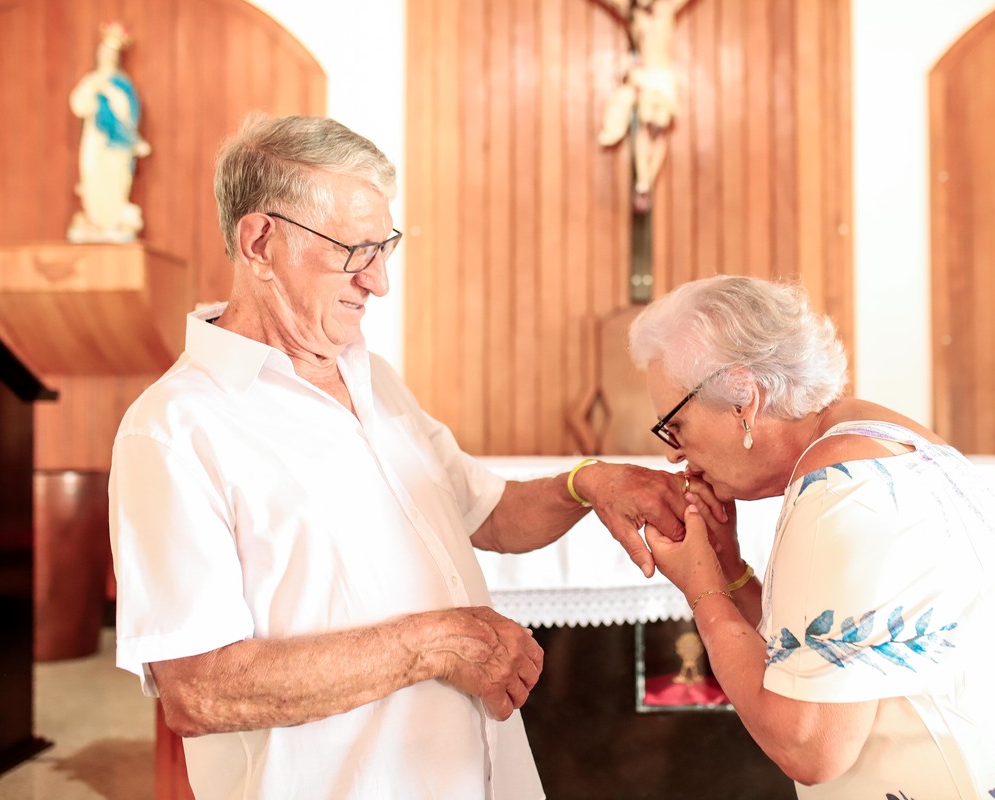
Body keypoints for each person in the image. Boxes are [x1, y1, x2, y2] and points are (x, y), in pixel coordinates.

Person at [107, 113, 703, 799]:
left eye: (384, 247)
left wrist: (586, 484)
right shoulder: (174, 429)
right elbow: (199, 690)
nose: (380, 282)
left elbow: (491, 514)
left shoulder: (373, 378)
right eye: (355, 250)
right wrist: (433, 644)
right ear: (260, 241)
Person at [628, 275, 995, 798]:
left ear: (743, 400)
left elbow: (810, 747)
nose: (673, 455)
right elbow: (813, 663)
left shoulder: (837, 493)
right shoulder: (878, 443)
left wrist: (701, 590)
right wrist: (727, 570)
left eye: (673, 426)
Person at [597, 0, 692, 211]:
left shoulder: (667, 7)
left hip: (664, 76)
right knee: (646, 125)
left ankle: (646, 182)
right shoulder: (631, 11)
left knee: (659, 130)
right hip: (647, 75)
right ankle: (642, 183)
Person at [68, 21, 152, 243]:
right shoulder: (93, 79)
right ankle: (96, 221)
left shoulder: (122, 83)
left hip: (117, 143)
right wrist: (95, 89)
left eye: (111, 53)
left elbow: (128, 112)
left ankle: (112, 222)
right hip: (96, 139)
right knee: (93, 176)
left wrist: (112, 96)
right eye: (104, 52)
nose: (107, 57)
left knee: (115, 180)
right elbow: (79, 104)